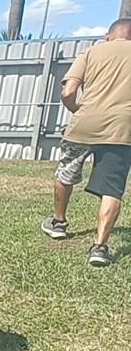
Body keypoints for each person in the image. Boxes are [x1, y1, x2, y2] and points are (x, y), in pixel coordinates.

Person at [41, 18, 131, 267]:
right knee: (113, 188)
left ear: (108, 35)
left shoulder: (90, 53)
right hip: (122, 129)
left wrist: (77, 111)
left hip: (84, 123)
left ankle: (59, 222)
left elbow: (68, 92)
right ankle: (100, 247)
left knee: (66, 171)